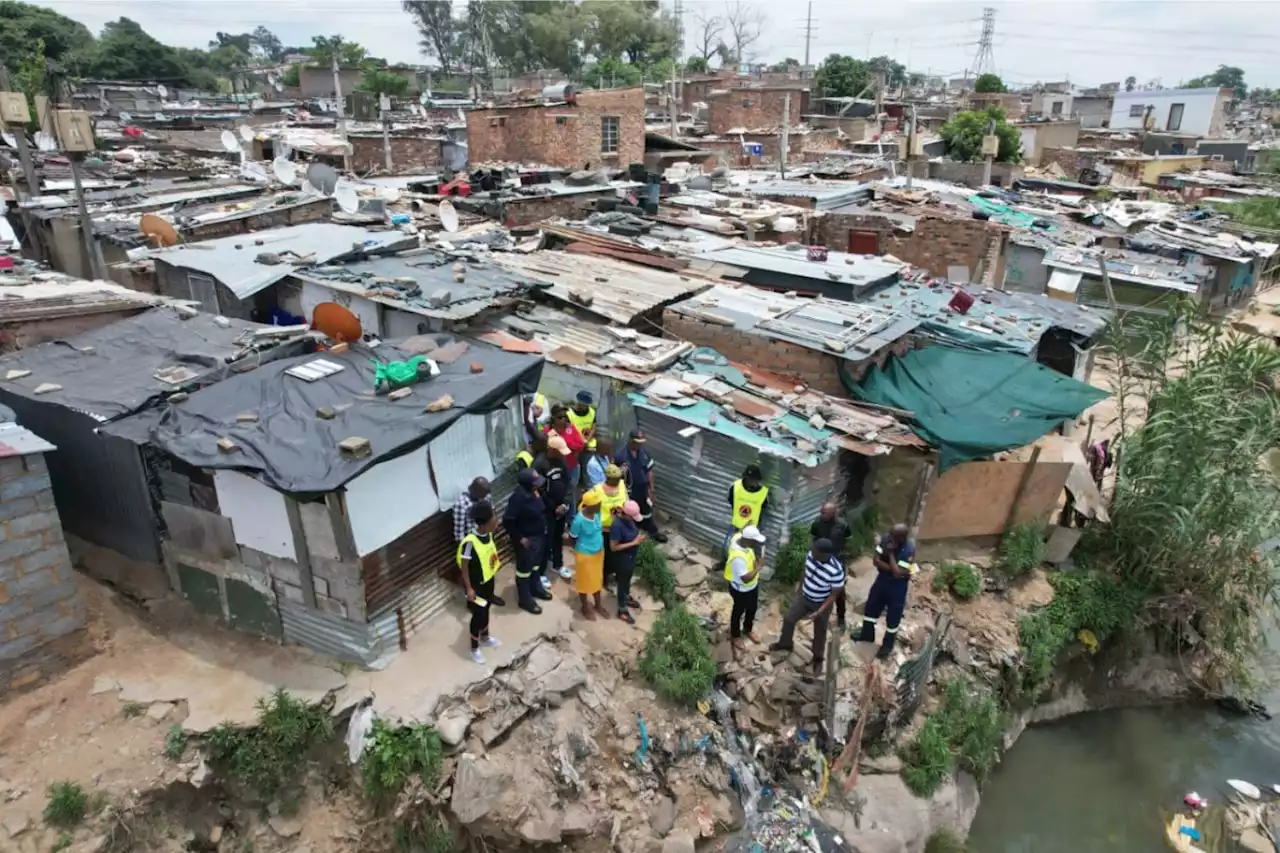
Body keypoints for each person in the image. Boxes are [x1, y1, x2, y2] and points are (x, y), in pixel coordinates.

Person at [770, 538, 845, 674]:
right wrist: (800, 590)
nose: (811, 552)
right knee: (788, 619)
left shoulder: (836, 571)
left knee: (820, 632)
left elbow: (833, 596)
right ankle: (785, 644)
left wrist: (819, 612)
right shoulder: (811, 555)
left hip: (822, 603)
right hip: (805, 597)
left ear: (824, 554)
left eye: (815, 551)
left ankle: (817, 659)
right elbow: (804, 571)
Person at [857, 523, 918, 660]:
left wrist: (890, 554)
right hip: (882, 580)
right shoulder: (886, 539)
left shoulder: (908, 550)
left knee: (893, 618)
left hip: (897, 588)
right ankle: (866, 636)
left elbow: (897, 574)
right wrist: (894, 569)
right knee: (871, 608)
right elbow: (875, 561)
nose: (889, 538)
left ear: (902, 538)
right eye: (890, 534)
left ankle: (887, 646)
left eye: (893, 536)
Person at [456, 502, 504, 664]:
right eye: (493, 520)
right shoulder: (470, 542)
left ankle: (485, 637)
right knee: (478, 615)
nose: (496, 521)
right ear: (483, 524)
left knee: (487, 609)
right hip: (475, 587)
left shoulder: (488, 535)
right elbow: (464, 567)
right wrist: (469, 589)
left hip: (488, 582)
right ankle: (474, 648)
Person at [502, 467, 552, 613]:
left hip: (539, 536)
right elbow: (508, 520)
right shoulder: (518, 498)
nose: (538, 484)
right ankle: (525, 599)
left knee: (536, 565)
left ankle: (535, 588)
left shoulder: (535, 492)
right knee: (524, 569)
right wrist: (519, 538)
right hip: (526, 540)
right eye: (535, 482)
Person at [614, 429, 667, 543]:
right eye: (637, 442)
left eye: (641, 442)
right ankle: (632, 535)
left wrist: (651, 488)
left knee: (646, 510)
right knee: (630, 513)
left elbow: (649, 471)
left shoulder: (644, 452)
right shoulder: (620, 455)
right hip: (629, 491)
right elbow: (614, 474)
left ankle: (653, 532)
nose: (639, 444)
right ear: (630, 440)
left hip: (643, 489)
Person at [568, 490, 609, 620]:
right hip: (585, 556)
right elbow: (572, 538)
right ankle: (585, 607)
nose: (600, 504)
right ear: (591, 505)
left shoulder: (596, 513)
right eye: (598, 503)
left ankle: (598, 605)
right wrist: (581, 550)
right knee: (584, 582)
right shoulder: (579, 521)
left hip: (598, 553)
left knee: (597, 580)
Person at [725, 525, 766, 650]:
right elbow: (745, 578)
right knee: (738, 612)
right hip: (741, 589)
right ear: (748, 540)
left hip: (752, 586)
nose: (757, 544)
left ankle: (748, 629)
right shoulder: (738, 557)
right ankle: (735, 635)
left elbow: (740, 530)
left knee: (752, 608)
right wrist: (758, 567)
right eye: (755, 541)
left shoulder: (739, 538)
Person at [538, 435, 573, 582]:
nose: (562, 454)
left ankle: (558, 564)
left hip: (561, 508)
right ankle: (541, 572)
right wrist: (553, 508)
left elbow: (568, 483)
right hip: (547, 511)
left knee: (558, 537)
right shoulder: (540, 464)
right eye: (559, 451)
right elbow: (540, 491)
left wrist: (565, 504)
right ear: (552, 450)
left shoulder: (562, 460)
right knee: (545, 540)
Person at [810, 503, 852, 627]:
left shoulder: (843, 525)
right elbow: (812, 538)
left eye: (825, 513)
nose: (821, 515)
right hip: (820, 559)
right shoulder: (817, 523)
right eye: (821, 512)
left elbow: (848, 538)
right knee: (817, 583)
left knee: (839, 591)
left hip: (837, 560)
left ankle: (841, 617)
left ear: (833, 513)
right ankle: (814, 611)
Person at [590, 464, 628, 586]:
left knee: (617, 555)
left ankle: (612, 574)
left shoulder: (622, 485)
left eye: (618, 478)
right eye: (615, 479)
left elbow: (626, 501)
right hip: (604, 530)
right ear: (608, 478)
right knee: (605, 556)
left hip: (620, 528)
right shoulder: (597, 490)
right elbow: (588, 509)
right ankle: (603, 578)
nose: (617, 481)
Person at [609, 500, 646, 624]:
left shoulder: (628, 520)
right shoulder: (617, 526)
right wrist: (634, 542)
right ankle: (622, 609)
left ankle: (626, 597)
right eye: (633, 517)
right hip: (623, 559)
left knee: (627, 580)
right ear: (627, 514)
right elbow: (613, 547)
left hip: (630, 557)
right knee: (622, 582)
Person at [726, 464, 769, 552]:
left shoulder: (763, 493)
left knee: (746, 553)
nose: (751, 481)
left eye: (753, 479)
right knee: (728, 549)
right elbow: (731, 501)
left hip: (751, 531)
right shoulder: (735, 487)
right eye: (749, 478)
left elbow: (763, 511)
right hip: (735, 526)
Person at [546, 404, 585, 479]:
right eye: (560, 417)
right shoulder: (547, 430)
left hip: (572, 466)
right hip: (555, 468)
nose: (563, 419)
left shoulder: (571, 428)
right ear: (553, 418)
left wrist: (567, 444)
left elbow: (580, 445)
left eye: (565, 417)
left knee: (572, 487)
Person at [453, 477, 492, 544]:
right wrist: (468, 550)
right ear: (474, 491)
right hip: (471, 543)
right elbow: (459, 536)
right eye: (482, 496)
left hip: (487, 537)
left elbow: (492, 516)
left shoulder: (486, 496)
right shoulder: (461, 505)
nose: (484, 498)